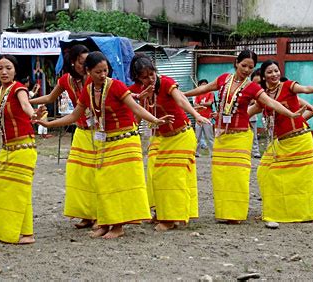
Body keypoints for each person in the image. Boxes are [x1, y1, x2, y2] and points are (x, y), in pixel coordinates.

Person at [37, 51, 174, 238]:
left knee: (115, 185)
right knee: (102, 183)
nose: (103, 75)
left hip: (125, 140)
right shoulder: (88, 90)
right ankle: (104, 222)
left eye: (105, 70)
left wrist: (155, 120)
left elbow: (135, 108)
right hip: (104, 143)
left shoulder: (116, 86)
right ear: (88, 72)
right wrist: (49, 124)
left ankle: (118, 226)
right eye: (98, 72)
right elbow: (75, 115)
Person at [185, 50, 302, 224]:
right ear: (236, 63)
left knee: (237, 175)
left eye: (251, 67)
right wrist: (184, 95)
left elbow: (271, 103)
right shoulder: (224, 79)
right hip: (222, 135)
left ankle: (236, 215)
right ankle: (224, 213)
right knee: (220, 174)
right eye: (244, 65)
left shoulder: (253, 87)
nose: (247, 70)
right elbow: (205, 88)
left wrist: (290, 114)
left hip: (240, 135)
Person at [129, 53, 210, 231]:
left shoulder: (165, 82)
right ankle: (162, 212)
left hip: (181, 136)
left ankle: (171, 219)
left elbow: (181, 99)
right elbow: (138, 112)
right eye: (144, 76)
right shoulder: (137, 89)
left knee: (173, 178)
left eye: (151, 73)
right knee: (158, 177)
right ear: (137, 78)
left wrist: (196, 115)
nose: (150, 78)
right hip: (163, 139)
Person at [249, 59, 313, 228]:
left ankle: (299, 214)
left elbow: (304, 90)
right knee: (263, 172)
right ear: (263, 76)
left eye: (276, 71)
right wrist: (227, 116)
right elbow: (248, 111)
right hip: (280, 142)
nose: (274, 74)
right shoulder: (263, 97)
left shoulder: (288, 86)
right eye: (270, 72)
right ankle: (275, 211)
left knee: (298, 180)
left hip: (299, 139)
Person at [0, 54, 42, 244]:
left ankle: (26, 234)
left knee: (18, 189)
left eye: (8, 68)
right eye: (0, 68)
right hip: (6, 149)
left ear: (15, 70)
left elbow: (25, 105)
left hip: (23, 147)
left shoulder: (19, 89)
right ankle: (4, 230)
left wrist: (33, 114)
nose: (4, 72)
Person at [30, 44, 96, 229]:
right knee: (78, 174)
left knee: (96, 174)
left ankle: (100, 215)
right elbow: (50, 98)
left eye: (87, 62)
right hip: (81, 131)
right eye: (81, 62)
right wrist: (25, 100)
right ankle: (86, 215)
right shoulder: (66, 80)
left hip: (100, 133)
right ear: (73, 62)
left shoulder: (96, 77)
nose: (85, 65)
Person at [193, 79, 215, 158]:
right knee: (197, 136)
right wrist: (201, 105)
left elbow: (210, 103)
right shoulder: (198, 94)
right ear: (199, 85)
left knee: (209, 137)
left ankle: (212, 153)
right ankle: (196, 153)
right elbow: (195, 104)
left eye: (205, 84)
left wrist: (202, 104)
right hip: (199, 118)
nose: (204, 86)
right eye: (202, 84)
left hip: (207, 118)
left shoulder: (210, 93)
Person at [249, 69, 261, 158]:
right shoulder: (248, 89)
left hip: (252, 117)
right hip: (246, 116)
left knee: (254, 135)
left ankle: (256, 151)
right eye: (255, 83)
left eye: (259, 83)